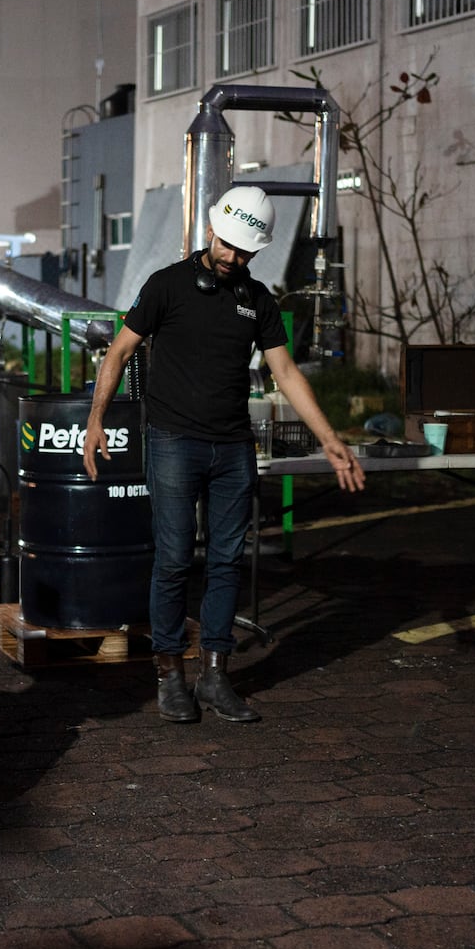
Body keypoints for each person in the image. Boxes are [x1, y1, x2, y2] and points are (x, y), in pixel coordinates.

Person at [83, 185, 366, 723]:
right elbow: (118, 352)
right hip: (172, 443)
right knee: (171, 561)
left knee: (226, 562)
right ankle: (170, 676)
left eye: (246, 251)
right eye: (230, 245)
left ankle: (215, 677)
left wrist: (331, 440)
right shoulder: (166, 286)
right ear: (212, 230)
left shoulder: (257, 299)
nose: (235, 257)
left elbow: (285, 371)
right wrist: (97, 420)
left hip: (233, 448)